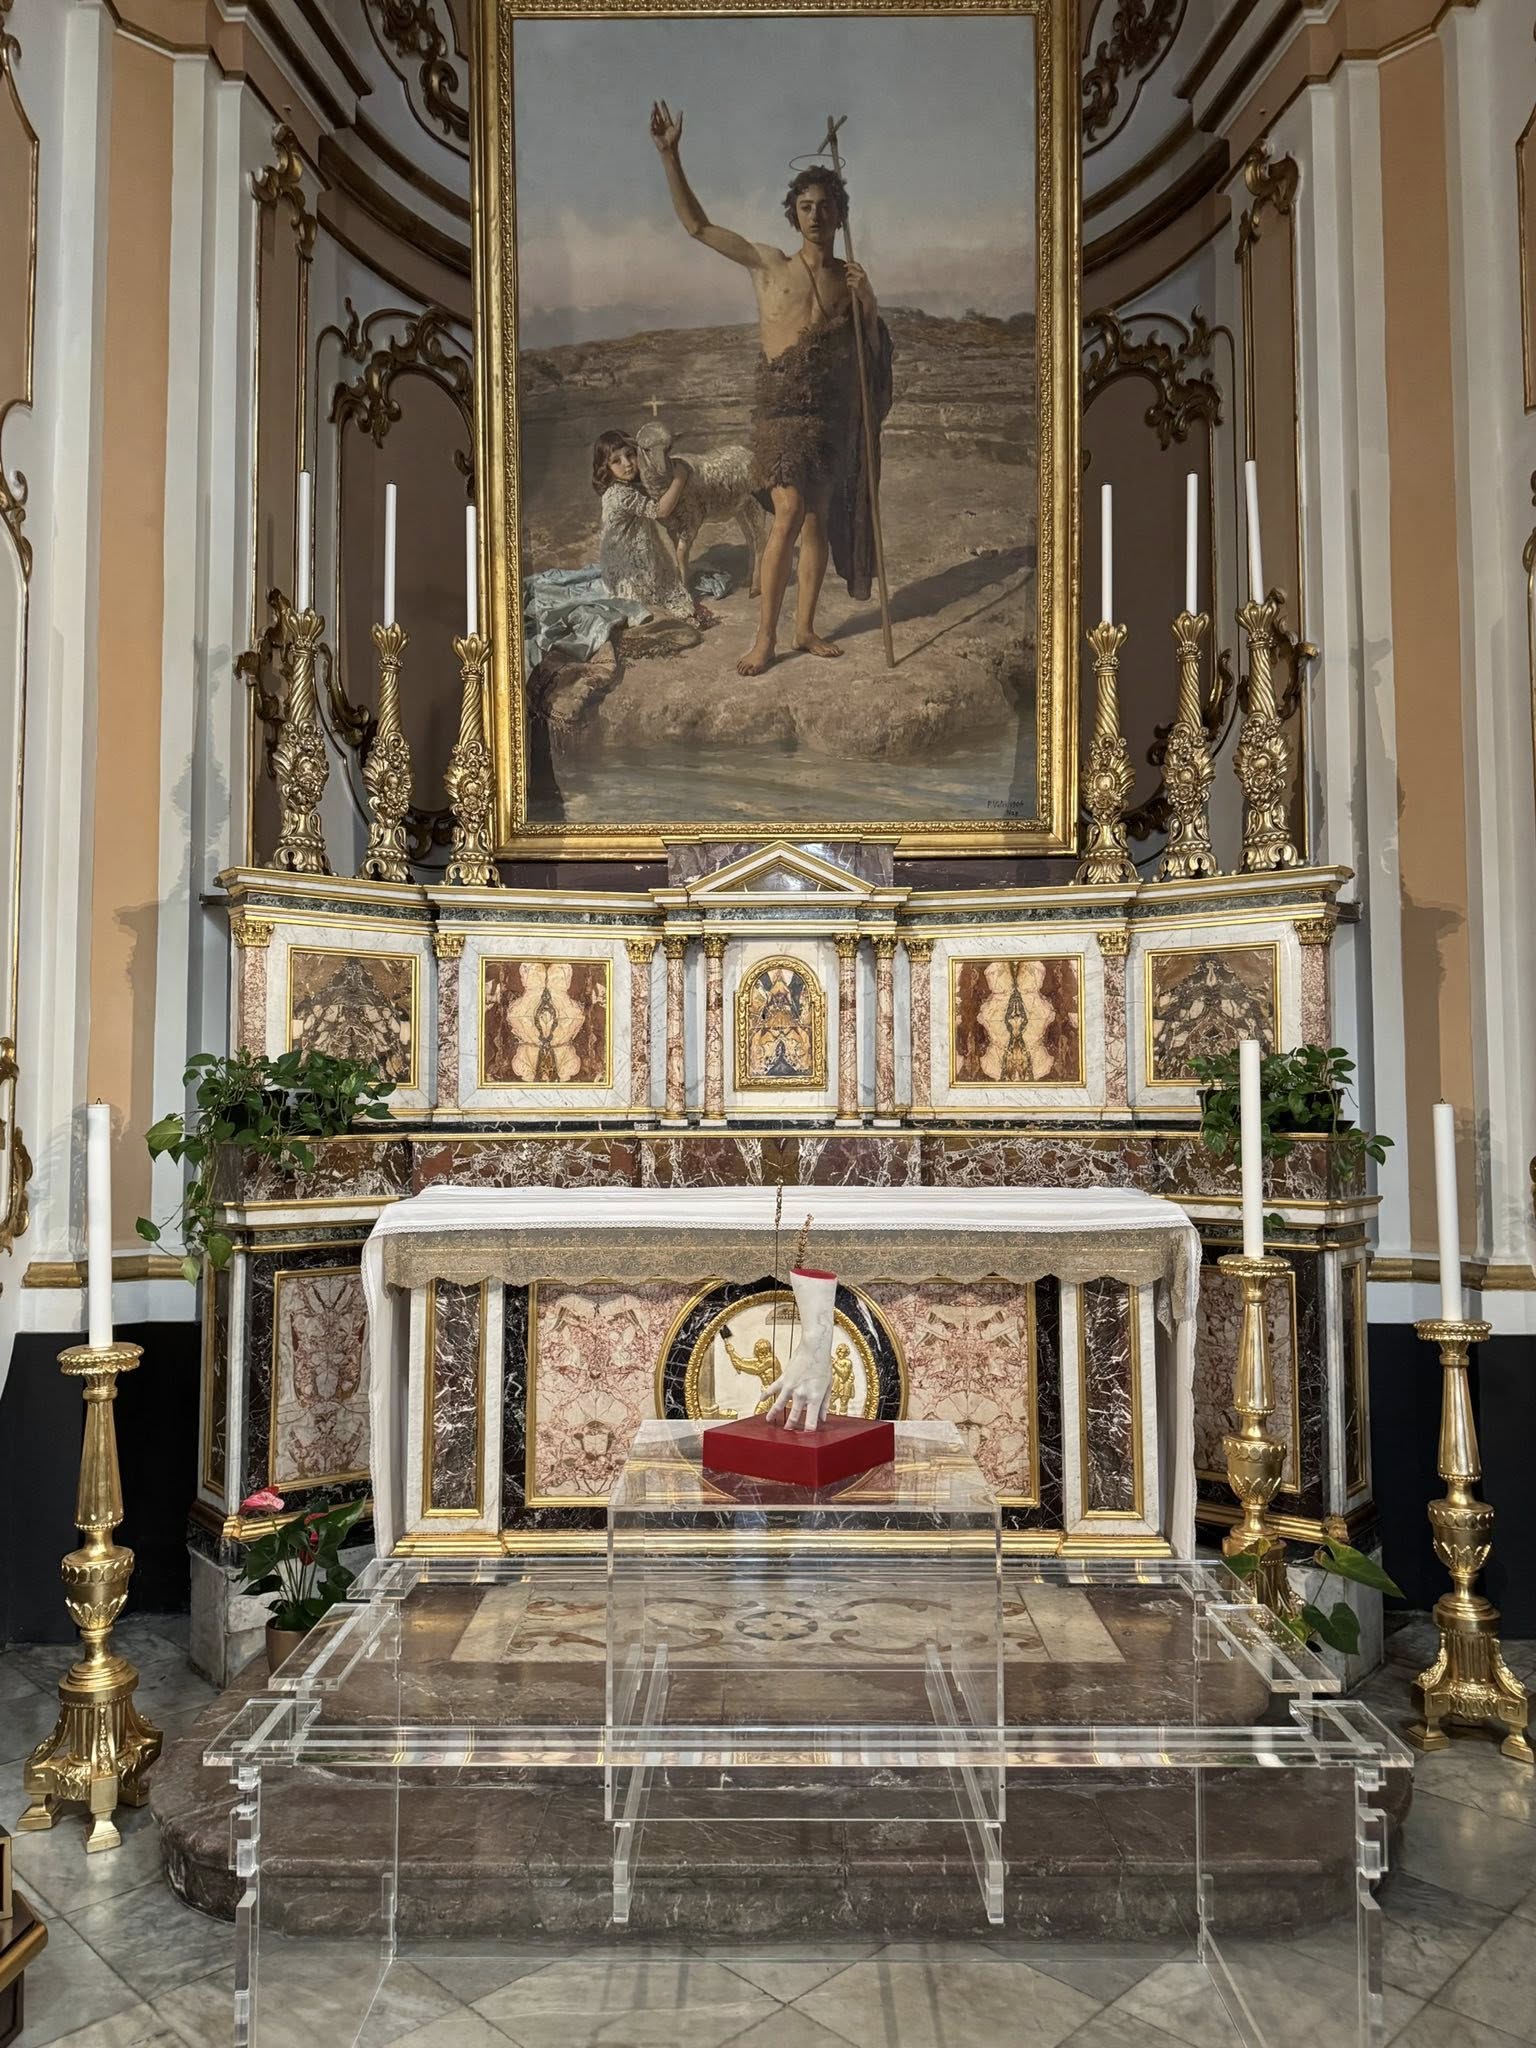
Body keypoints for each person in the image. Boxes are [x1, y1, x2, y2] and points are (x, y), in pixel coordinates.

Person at [650, 102, 892, 676]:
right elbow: (698, 227)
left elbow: (870, 356)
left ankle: (804, 629)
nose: (815, 215)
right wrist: (670, 156)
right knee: (788, 511)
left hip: (827, 416)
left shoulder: (849, 280)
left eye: (825, 206)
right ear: (793, 214)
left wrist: (868, 304)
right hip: (779, 414)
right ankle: (764, 638)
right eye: (805, 207)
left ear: (839, 214)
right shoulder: (768, 264)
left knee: (817, 518)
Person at [591, 428, 714, 626]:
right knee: (666, 598)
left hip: (622, 552)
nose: (627, 464)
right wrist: (679, 479)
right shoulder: (621, 494)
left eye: (630, 455)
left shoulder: (625, 486)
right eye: (616, 461)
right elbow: (661, 511)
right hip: (626, 564)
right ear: (606, 468)